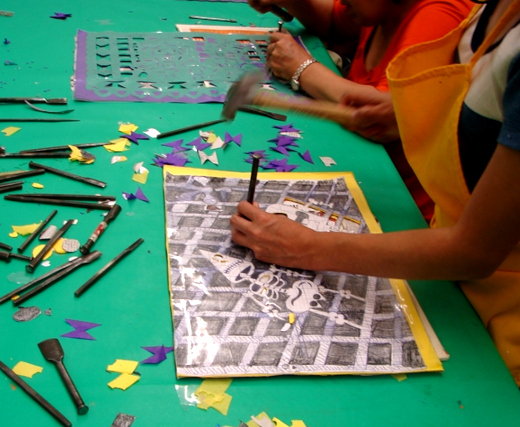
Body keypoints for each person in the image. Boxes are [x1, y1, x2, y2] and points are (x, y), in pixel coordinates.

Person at [232, 0, 520, 387]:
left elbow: (474, 251)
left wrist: (306, 246)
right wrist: (405, 109)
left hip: (502, 309)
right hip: (443, 260)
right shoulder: (494, 11)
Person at [250, 0, 473, 221]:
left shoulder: (438, 15)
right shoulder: (379, 9)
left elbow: (379, 115)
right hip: (367, 174)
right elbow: (335, 23)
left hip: (405, 207)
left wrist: (302, 68)